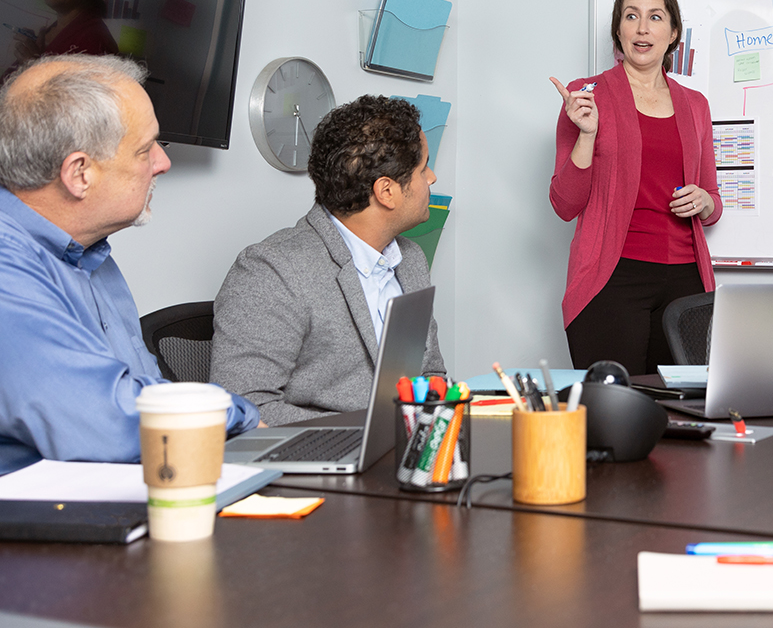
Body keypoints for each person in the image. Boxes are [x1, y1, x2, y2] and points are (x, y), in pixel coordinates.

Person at [0, 54, 259, 476]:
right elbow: (103, 421)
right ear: (79, 173)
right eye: (146, 149)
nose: (163, 163)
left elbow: (144, 388)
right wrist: (238, 416)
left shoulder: (94, 254)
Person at [211, 95, 445, 426]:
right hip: (318, 462)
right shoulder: (272, 271)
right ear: (386, 192)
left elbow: (431, 373)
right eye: (423, 168)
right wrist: (368, 431)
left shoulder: (410, 260)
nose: (432, 178)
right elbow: (244, 407)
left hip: (409, 457)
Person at [549, 0, 722, 375]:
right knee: (614, 414)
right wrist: (587, 135)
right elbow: (564, 203)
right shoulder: (585, 96)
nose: (643, 28)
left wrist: (705, 201)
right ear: (618, 30)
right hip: (611, 280)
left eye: (655, 17)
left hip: (686, 284)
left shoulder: (695, 105)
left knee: (682, 416)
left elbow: (712, 203)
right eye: (631, 16)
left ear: (673, 32)